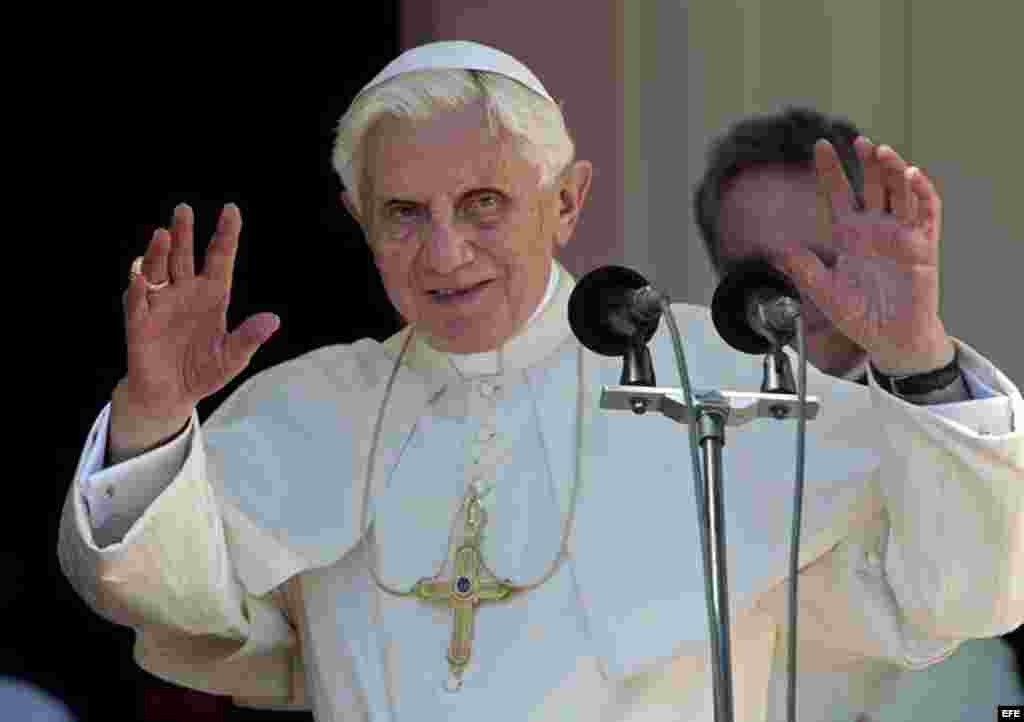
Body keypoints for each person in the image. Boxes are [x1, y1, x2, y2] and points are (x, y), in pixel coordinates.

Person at [58, 41, 1023, 721]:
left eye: (483, 204)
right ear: (357, 218)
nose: (446, 252)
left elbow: (960, 592)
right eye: (403, 213)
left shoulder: (724, 381)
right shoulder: (315, 409)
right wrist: (152, 414)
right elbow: (167, 602)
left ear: (566, 203)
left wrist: (916, 357)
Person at [693, 107, 1024, 718]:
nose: (795, 293)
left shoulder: (959, 427)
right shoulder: (686, 430)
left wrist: (915, 356)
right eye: (759, 272)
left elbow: (971, 603)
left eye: (822, 261)